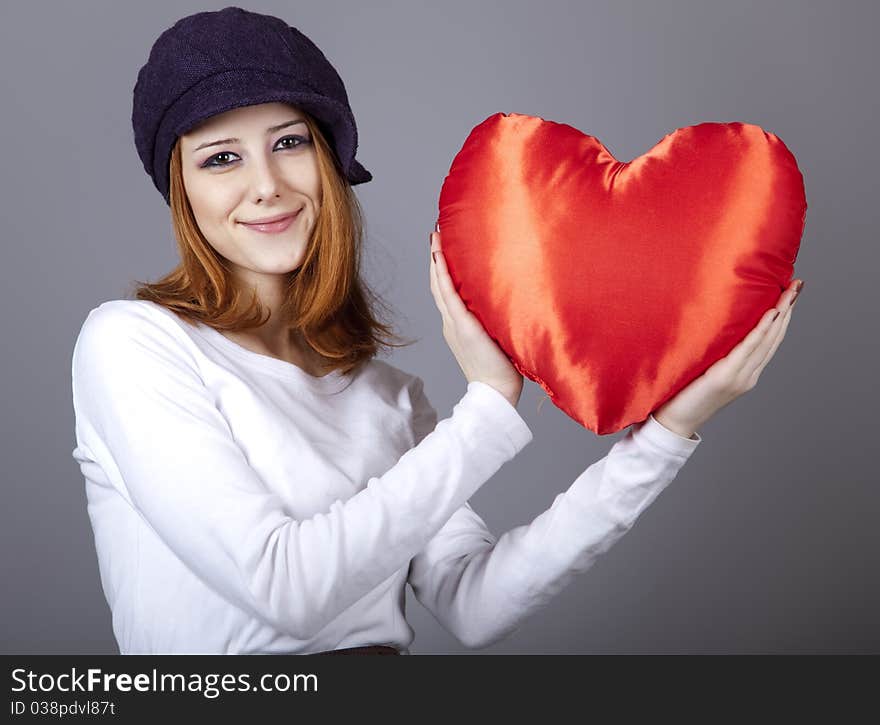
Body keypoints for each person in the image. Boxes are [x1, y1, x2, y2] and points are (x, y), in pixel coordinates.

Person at [70, 6, 803, 655]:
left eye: (289, 142)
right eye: (220, 157)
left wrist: (667, 435)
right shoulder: (133, 346)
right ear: (182, 189)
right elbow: (283, 585)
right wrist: (487, 404)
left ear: (328, 161)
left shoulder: (383, 393)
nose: (265, 183)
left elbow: (477, 605)